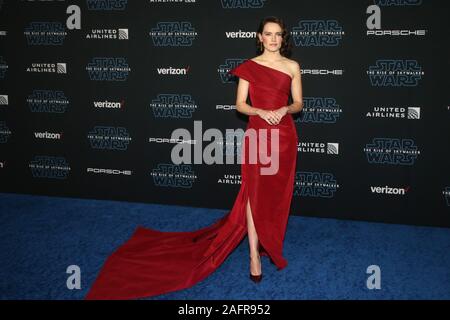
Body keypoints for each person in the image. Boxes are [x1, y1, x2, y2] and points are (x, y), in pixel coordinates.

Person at [85, 16, 303, 300]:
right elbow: (240, 105)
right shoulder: (250, 67)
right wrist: (261, 111)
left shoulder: (292, 66)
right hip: (258, 133)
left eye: (278, 34)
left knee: (276, 193)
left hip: (285, 136)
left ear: (282, 38)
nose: (273, 39)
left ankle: (268, 240)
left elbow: (299, 103)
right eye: (268, 34)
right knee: (254, 192)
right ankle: (254, 256)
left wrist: (284, 109)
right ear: (259, 37)